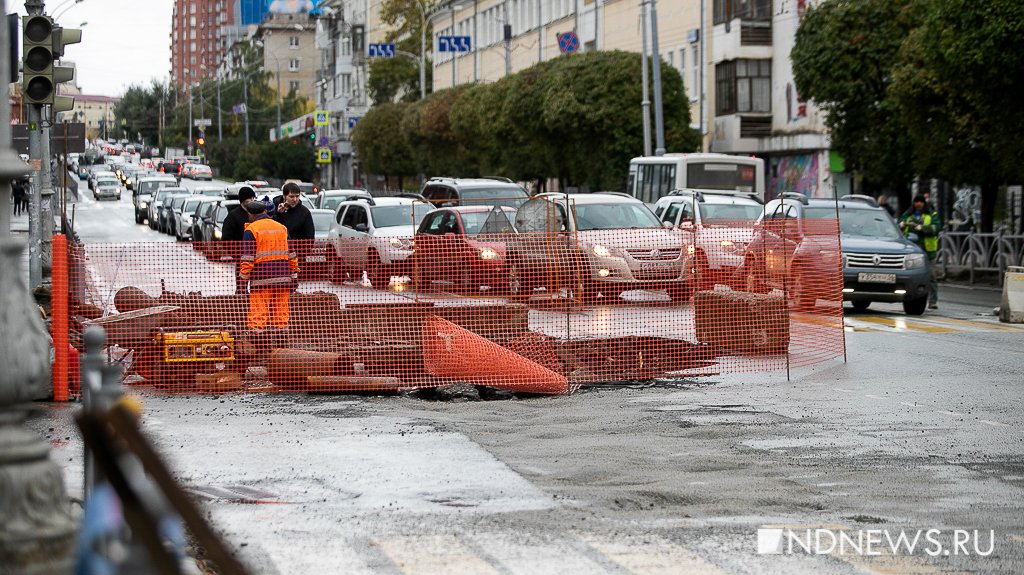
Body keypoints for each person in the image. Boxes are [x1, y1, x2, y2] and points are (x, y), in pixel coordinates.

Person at [238, 201, 299, 345]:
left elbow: (247, 259)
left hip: (261, 281)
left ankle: (258, 348)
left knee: (258, 317)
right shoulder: (281, 228)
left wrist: (242, 282)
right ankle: (280, 351)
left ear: (250, 214)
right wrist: (294, 277)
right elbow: (292, 255)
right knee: (281, 316)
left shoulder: (251, 230)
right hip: (283, 280)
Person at [899, 195, 941, 310]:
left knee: (931, 276)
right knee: (913, 276)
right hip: (911, 251)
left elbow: (936, 228)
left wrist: (921, 228)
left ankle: (932, 301)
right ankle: (912, 299)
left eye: (920, 202)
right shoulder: (907, 214)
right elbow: (898, 225)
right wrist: (901, 225)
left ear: (924, 203)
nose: (918, 204)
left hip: (928, 251)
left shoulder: (932, 214)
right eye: (916, 201)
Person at [222, 186, 257, 294]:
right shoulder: (233, 216)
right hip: (242, 259)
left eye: (253, 198)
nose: (252, 200)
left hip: (258, 258)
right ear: (243, 200)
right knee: (242, 287)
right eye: (249, 199)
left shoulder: (256, 214)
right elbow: (226, 239)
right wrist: (237, 255)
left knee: (256, 287)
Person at [273, 182, 316, 268]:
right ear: (284, 196)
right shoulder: (274, 208)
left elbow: (309, 237)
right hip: (276, 255)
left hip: (297, 257)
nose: (295, 199)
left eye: (297, 196)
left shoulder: (304, 212)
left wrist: (301, 255)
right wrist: (279, 214)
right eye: (291, 196)